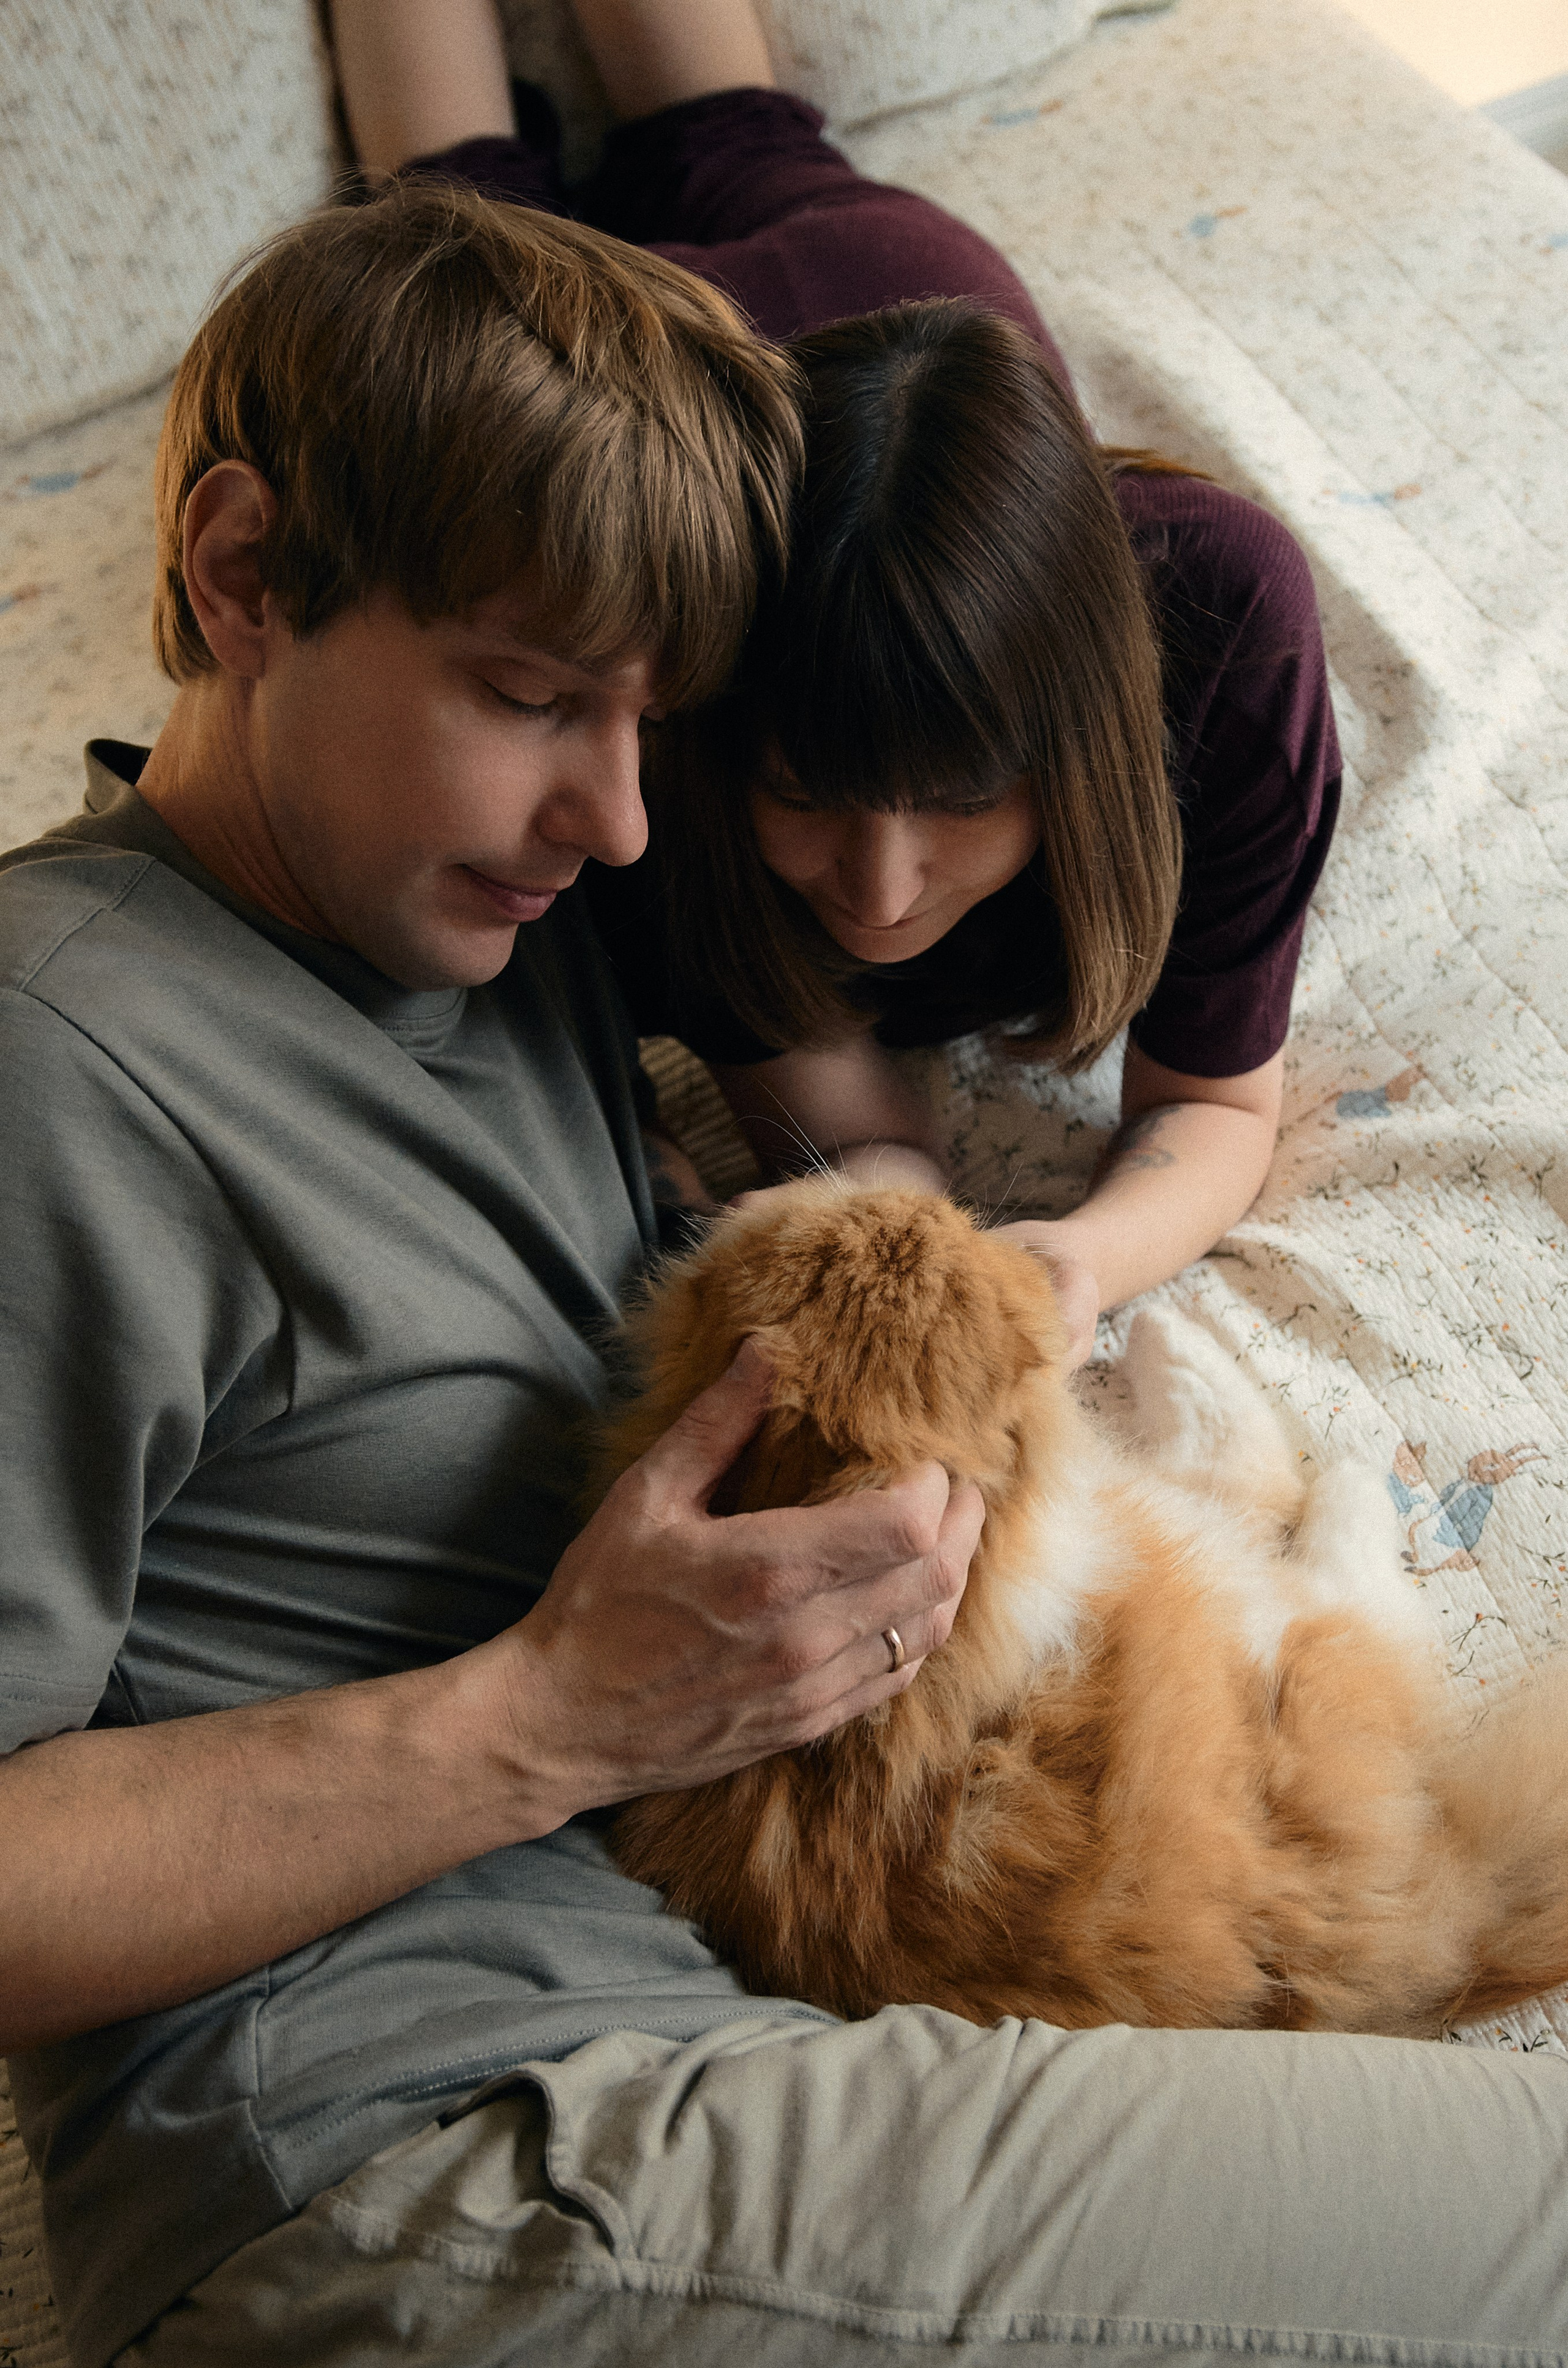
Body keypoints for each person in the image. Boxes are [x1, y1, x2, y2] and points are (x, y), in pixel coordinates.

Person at [2, 20, 1567, 2368]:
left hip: (723, 2038)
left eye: (653, 722)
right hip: (429, 2155)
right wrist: (551, 1716)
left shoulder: (492, 926)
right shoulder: (57, 1056)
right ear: (239, 571)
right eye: (533, 692)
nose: (623, 819)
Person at [334, 0, 1341, 1366]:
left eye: (962, 798)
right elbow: (854, 1132)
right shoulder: (673, 723)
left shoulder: (1230, 629)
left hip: (880, 279)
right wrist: (849, 1214)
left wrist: (1070, 1260)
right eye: (804, 794)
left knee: (730, 137)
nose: (876, 893)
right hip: (677, 415)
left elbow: (1214, 1102)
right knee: (458, 220)